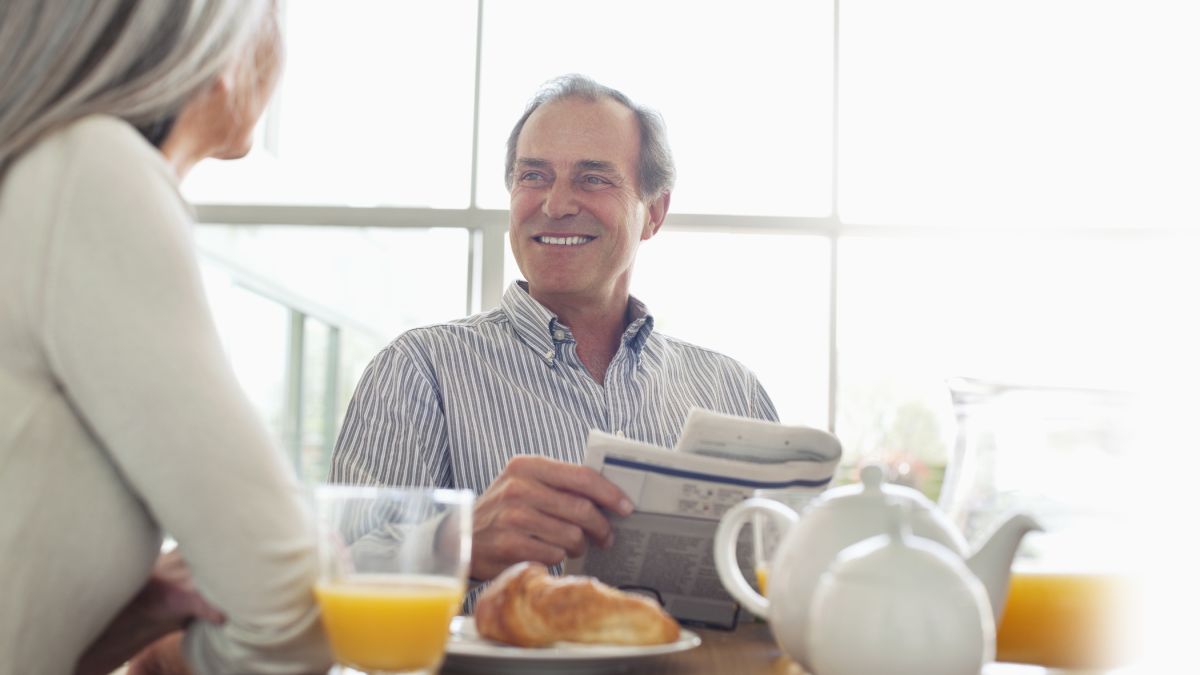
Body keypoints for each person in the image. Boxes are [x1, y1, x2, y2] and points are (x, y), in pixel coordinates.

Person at [332, 74, 779, 584]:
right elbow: (339, 572)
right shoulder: (420, 369)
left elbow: (786, 575)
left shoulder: (733, 391)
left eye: (592, 178)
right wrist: (459, 541)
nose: (556, 204)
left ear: (653, 213)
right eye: (534, 176)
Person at [0, 1, 331, 673]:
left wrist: (139, 617)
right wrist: (180, 652)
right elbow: (298, 611)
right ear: (211, 33)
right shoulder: (87, 170)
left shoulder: (44, 174)